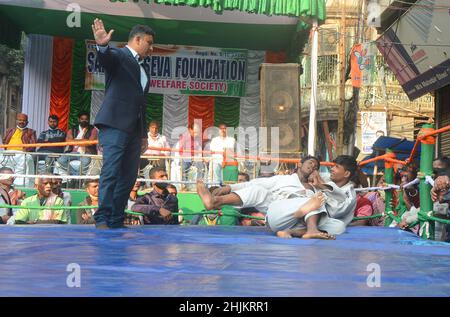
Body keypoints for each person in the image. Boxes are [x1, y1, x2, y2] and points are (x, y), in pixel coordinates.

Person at [91, 19, 154, 229]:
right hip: (115, 124)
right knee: (111, 170)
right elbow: (106, 58)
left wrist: (144, 134)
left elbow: (141, 105)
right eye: (149, 42)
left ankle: (116, 219)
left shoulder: (143, 68)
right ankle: (102, 218)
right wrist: (101, 45)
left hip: (135, 130)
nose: (151, 48)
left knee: (128, 176)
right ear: (137, 39)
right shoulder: (120, 55)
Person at [266, 155, 357, 240]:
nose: (331, 169)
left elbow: (334, 212)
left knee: (339, 227)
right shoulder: (285, 179)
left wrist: (321, 185)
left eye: (336, 167)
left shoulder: (350, 195)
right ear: (300, 165)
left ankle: (292, 232)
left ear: (346, 174)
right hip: (285, 213)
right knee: (316, 201)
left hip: (311, 219)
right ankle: (312, 230)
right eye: (332, 166)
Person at [196, 155, 320, 214]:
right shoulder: (284, 179)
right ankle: (215, 201)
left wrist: (319, 184)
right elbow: (255, 183)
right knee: (257, 190)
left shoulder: (318, 186)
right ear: (299, 165)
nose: (313, 166)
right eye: (310, 163)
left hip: (301, 212)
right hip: (279, 207)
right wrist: (229, 187)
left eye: (316, 167)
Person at [57, 112, 98, 178]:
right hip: (73, 152)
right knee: (61, 160)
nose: (84, 121)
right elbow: (69, 141)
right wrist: (84, 140)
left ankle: (77, 179)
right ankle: (75, 176)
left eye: (86, 119)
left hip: (87, 152)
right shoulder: (72, 129)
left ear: (89, 120)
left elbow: (90, 142)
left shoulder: (93, 129)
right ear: (79, 120)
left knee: (86, 161)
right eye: (82, 119)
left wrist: (75, 140)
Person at [2, 113, 37, 186]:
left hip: (21, 153)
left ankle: (21, 184)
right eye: (20, 120)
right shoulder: (10, 130)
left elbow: (33, 144)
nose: (21, 122)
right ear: (16, 121)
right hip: (8, 152)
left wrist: (26, 150)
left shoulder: (31, 131)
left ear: (27, 122)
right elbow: (4, 141)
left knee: (27, 160)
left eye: (24, 120)